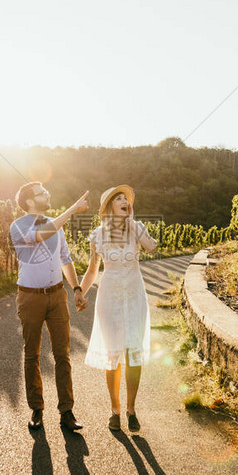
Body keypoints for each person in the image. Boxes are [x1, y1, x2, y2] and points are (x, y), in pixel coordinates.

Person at [10, 181, 90, 432]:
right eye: (42, 192)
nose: (48, 193)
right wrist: (72, 210)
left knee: (62, 354)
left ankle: (66, 411)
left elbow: (65, 259)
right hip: (30, 297)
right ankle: (37, 409)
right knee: (32, 354)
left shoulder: (57, 224)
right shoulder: (19, 226)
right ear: (31, 201)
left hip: (57, 296)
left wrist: (76, 289)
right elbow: (42, 234)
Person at [77, 185, 158, 433]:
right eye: (119, 199)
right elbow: (92, 270)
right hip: (109, 298)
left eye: (127, 199)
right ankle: (115, 410)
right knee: (113, 356)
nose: (125, 201)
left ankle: (131, 409)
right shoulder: (97, 235)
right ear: (109, 206)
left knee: (133, 353)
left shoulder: (137, 229)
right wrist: (80, 291)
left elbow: (152, 247)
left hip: (134, 296)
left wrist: (133, 224)